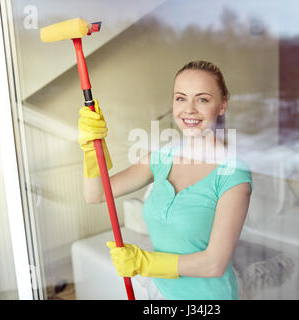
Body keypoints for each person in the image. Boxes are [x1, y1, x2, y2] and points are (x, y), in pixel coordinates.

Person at [78, 60, 253, 300]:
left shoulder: (233, 174)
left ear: (222, 105)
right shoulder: (161, 158)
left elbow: (214, 264)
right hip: (160, 292)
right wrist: (91, 146)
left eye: (202, 99)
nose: (189, 109)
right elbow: (96, 194)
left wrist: (144, 262)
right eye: (180, 98)